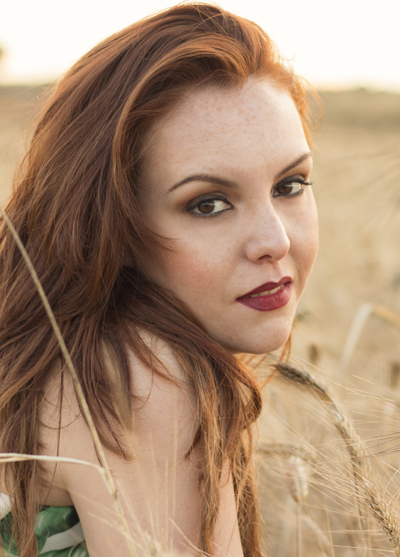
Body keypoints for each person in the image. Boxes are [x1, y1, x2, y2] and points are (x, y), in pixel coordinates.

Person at [0, 3, 319, 556]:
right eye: (208, 204)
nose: (275, 241)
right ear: (114, 231)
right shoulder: (140, 383)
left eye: (289, 185)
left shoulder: (56, 358)